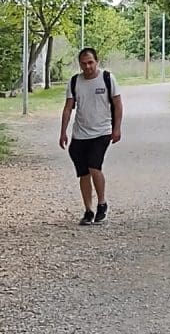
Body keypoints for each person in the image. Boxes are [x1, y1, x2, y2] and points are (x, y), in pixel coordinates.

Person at [59, 47, 123, 225]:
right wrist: (63, 131)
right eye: (83, 64)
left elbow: (118, 104)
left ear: (97, 62)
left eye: (90, 62)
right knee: (84, 173)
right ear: (79, 65)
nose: (87, 67)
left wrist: (117, 128)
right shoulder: (75, 82)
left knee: (95, 166)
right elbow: (67, 108)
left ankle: (102, 203)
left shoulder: (107, 79)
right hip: (80, 134)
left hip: (102, 132)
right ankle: (88, 210)